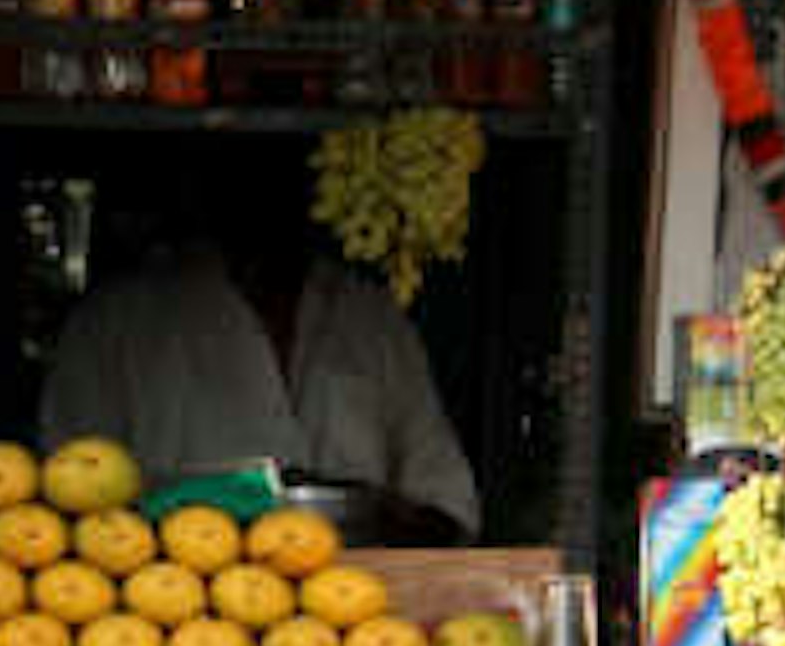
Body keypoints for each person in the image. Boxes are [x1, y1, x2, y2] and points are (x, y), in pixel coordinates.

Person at [37, 157, 482, 540]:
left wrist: (374, 514)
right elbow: (65, 504)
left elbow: (447, 506)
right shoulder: (114, 322)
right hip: (170, 616)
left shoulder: (372, 319)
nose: (268, 202)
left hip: (364, 615)